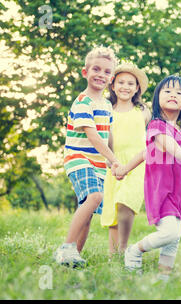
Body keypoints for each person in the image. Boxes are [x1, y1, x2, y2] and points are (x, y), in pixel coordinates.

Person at [112, 75, 181, 280]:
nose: (174, 95)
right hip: (161, 190)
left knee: (175, 237)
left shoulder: (178, 130)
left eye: (179, 93)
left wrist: (125, 168)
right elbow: (179, 153)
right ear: (157, 98)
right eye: (168, 91)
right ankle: (134, 251)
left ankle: (163, 278)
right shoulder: (157, 125)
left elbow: (149, 153)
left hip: (177, 192)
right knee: (168, 233)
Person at [54, 46, 121, 267]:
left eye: (107, 72)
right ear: (85, 72)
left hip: (99, 164)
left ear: (111, 78)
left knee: (89, 208)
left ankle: (73, 256)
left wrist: (114, 159)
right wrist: (113, 158)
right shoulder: (83, 102)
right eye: (96, 69)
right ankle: (65, 247)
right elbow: (92, 136)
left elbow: (107, 134)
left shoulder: (107, 105)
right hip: (79, 158)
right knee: (94, 197)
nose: (101, 74)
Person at [101, 63, 151, 256]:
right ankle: (114, 254)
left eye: (131, 83)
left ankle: (123, 247)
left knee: (125, 202)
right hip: (113, 163)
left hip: (137, 164)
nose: (125, 87)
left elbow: (148, 138)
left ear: (137, 88)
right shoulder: (107, 111)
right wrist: (110, 161)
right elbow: (105, 139)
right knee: (114, 210)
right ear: (112, 86)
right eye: (121, 82)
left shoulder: (143, 111)